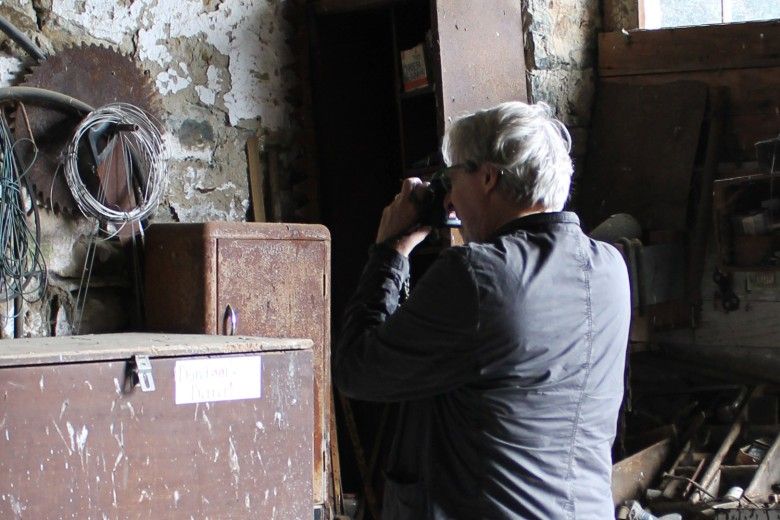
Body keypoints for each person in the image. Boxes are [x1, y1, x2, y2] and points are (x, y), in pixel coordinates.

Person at [333, 101, 630, 519]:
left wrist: (391, 251)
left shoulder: (477, 276)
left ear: (488, 177)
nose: (450, 199)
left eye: (452, 179)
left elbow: (357, 371)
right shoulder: (610, 268)